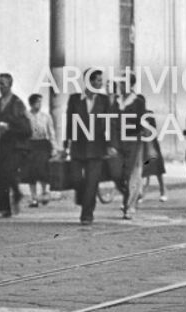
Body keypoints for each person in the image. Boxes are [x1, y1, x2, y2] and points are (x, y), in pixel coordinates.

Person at [65, 68, 118, 226]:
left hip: (97, 147)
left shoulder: (103, 100)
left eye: (101, 80)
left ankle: (86, 214)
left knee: (92, 181)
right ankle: (87, 200)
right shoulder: (75, 99)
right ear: (89, 81)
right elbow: (69, 122)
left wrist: (111, 145)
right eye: (98, 80)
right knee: (76, 179)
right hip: (78, 146)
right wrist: (66, 144)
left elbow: (109, 123)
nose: (101, 83)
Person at [0, 72, 32, 218]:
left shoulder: (17, 103)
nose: (0, 87)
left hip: (15, 146)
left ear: (10, 85)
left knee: (7, 173)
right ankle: (4, 208)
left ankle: (16, 195)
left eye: (3, 84)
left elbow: (27, 128)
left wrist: (9, 127)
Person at [113, 71, 155, 218]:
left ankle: (129, 206)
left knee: (133, 173)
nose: (121, 86)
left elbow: (142, 121)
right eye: (120, 83)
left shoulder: (138, 102)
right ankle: (128, 199)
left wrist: (144, 130)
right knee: (117, 173)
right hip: (117, 141)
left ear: (130, 85)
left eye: (124, 83)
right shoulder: (116, 101)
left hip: (133, 141)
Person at [24, 92, 56, 207]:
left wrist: (54, 148)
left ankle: (44, 192)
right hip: (30, 144)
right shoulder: (26, 115)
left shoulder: (46, 116)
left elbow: (51, 132)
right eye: (37, 102)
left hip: (43, 144)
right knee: (31, 172)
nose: (39, 104)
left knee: (43, 169)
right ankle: (34, 197)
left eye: (40, 102)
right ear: (32, 103)